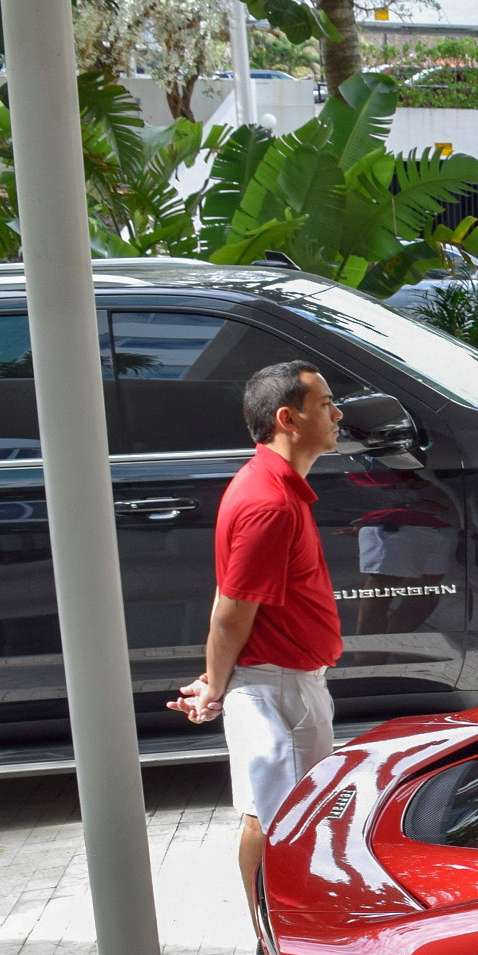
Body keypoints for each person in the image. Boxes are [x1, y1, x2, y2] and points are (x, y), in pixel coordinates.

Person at [172, 361, 345, 917]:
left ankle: (275, 942)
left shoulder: (272, 487)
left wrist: (216, 684)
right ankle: (279, 948)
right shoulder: (269, 501)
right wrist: (216, 687)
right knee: (283, 827)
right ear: (287, 418)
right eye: (325, 403)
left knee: (272, 818)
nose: (338, 413)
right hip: (280, 692)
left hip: (284, 686)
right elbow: (231, 612)